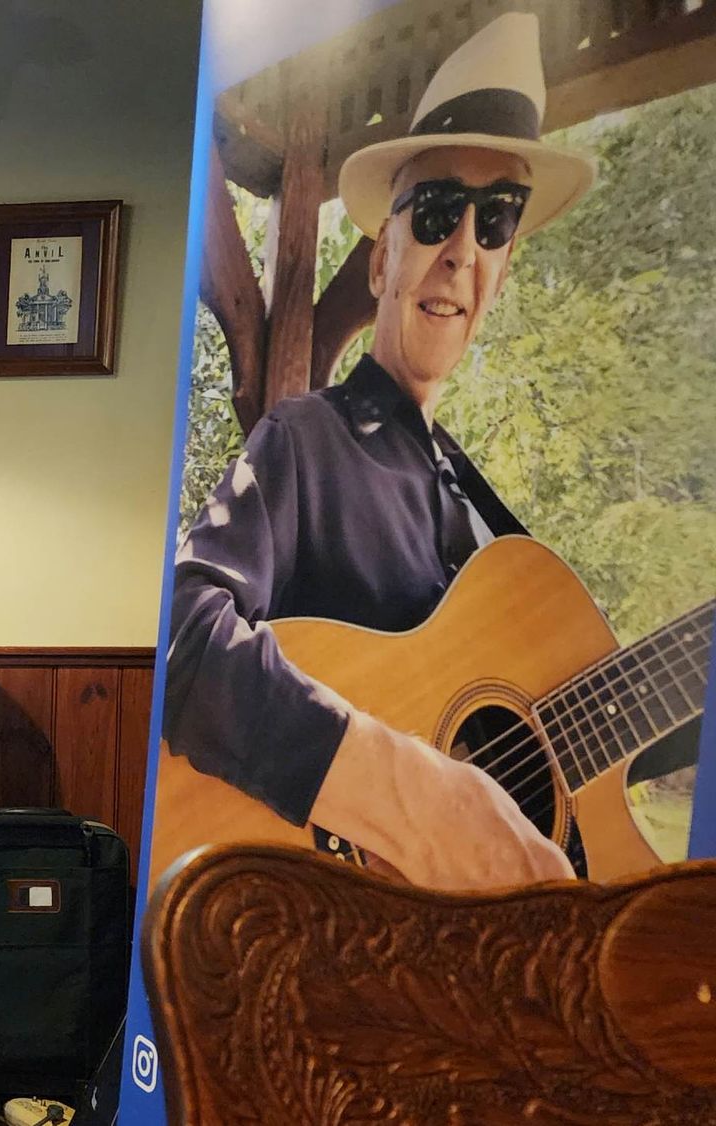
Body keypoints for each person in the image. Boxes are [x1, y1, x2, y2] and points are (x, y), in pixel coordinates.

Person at [163, 13, 595, 892]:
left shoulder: (487, 525)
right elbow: (182, 635)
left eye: (497, 221)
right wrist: (407, 796)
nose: (462, 251)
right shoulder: (304, 441)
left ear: (504, 270)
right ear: (379, 261)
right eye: (435, 212)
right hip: (313, 920)